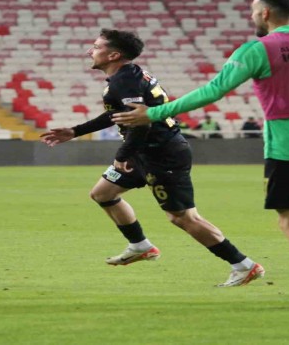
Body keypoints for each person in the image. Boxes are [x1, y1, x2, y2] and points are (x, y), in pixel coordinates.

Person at [112, 0, 289, 309]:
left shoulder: (258, 49)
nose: (251, 16)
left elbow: (214, 90)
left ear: (265, 13)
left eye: (253, 11)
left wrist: (154, 113)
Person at [40, 29, 264, 287]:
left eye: (97, 46)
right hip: (144, 151)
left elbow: (141, 122)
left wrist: (123, 155)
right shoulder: (128, 76)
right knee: (103, 193)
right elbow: (120, 114)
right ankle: (140, 246)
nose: (90, 51)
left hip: (162, 153)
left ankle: (243, 265)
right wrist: (76, 131)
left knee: (183, 217)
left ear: (114, 55)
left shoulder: (124, 80)